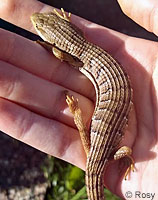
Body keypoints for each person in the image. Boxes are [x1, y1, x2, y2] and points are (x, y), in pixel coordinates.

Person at [0, 0, 157, 198]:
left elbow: (61, 54)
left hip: (112, 110)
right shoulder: (80, 43)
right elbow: (72, 43)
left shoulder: (112, 154)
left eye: (39, 27)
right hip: (113, 83)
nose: (36, 23)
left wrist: (76, 113)